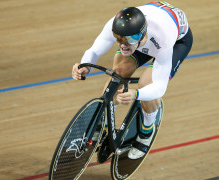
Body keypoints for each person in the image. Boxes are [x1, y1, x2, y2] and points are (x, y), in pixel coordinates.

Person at [72, 1, 193, 159]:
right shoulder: (116, 26)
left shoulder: (163, 39)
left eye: (127, 40)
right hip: (147, 33)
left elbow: (160, 86)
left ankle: (146, 131)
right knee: (119, 71)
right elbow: (94, 50)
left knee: (146, 84)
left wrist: (136, 94)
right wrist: (85, 66)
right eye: (119, 39)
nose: (122, 45)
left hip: (177, 41)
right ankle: (103, 121)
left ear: (143, 34)